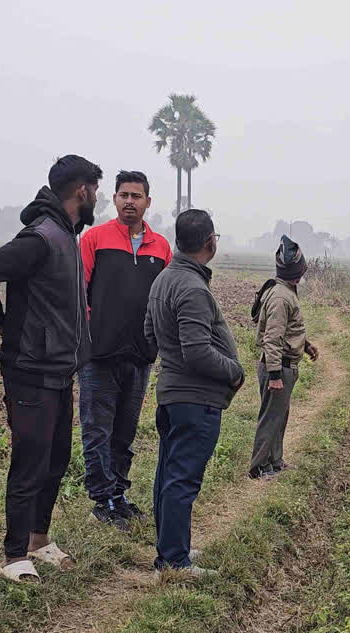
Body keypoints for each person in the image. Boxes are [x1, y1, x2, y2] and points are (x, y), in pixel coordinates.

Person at [0, 155, 101, 581]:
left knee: (55, 459)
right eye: (96, 191)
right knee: (29, 461)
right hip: (31, 370)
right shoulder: (41, 238)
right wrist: (0, 321)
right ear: (83, 190)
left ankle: (38, 539)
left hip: (59, 371)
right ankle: (14, 554)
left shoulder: (67, 234)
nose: (97, 199)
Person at [144, 209, 244, 576]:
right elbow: (197, 351)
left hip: (171, 394)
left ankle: (172, 548)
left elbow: (149, 334)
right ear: (210, 242)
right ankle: (173, 561)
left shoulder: (162, 281)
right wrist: (234, 371)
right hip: (194, 401)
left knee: (168, 473)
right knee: (182, 478)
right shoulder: (192, 288)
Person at [78, 170, 171, 530]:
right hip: (98, 356)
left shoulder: (161, 247)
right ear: (114, 200)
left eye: (137, 196)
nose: (129, 201)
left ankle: (120, 494)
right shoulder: (94, 239)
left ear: (148, 202)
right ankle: (102, 500)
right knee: (96, 429)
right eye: (123, 195)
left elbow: (164, 300)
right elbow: (80, 292)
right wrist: (88, 337)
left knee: (125, 431)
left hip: (140, 355)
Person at [249, 235, 319, 480]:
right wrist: (275, 375)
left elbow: (285, 329)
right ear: (298, 271)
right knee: (271, 418)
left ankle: (275, 462)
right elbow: (272, 338)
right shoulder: (281, 296)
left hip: (284, 363)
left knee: (280, 415)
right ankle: (258, 468)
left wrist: (305, 345)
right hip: (277, 367)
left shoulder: (284, 290)